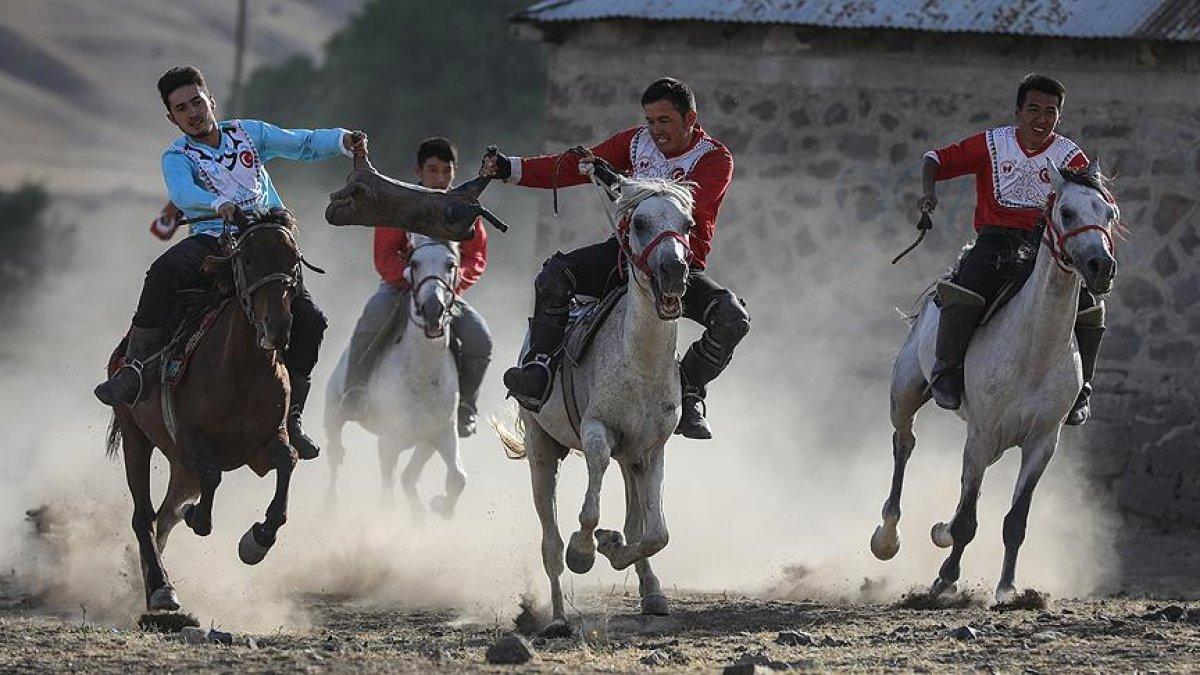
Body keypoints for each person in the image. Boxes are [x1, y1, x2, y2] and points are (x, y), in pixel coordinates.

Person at [94, 65, 367, 458]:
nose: (192, 112)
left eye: (196, 101)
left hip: (266, 242)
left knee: (312, 321)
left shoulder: (248, 133)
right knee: (163, 271)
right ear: (172, 117)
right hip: (212, 241)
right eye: (181, 108)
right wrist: (217, 203)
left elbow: (301, 143)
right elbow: (183, 192)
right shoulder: (177, 155)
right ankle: (136, 368)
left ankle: (291, 418)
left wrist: (343, 140)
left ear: (210, 100)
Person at [482, 77, 748, 440]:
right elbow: (577, 164)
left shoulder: (715, 159)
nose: (655, 131)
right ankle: (539, 368)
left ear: (690, 118)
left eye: (664, 121)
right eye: (650, 121)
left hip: (674, 267)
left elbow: (680, 203)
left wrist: (615, 182)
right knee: (554, 276)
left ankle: (687, 389)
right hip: (625, 257)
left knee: (733, 319)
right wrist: (509, 168)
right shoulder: (635, 142)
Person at [920, 73, 1104, 425]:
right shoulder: (992, 144)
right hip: (995, 240)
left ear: (1059, 118)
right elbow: (935, 159)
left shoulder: (1071, 157)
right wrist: (929, 192)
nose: (1041, 118)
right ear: (1018, 110)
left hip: (1046, 246)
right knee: (967, 285)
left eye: (1050, 112)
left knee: (1090, 305)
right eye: (1033, 109)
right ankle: (945, 371)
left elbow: (1091, 201)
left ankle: (1082, 388)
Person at [340, 137, 492, 438]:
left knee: (480, 338)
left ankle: (465, 409)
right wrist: (409, 276)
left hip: (446, 293)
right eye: (432, 170)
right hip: (400, 288)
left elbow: (476, 256)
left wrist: (453, 280)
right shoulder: (400, 205)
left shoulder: (466, 209)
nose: (439, 178)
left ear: (455, 172)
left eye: (446, 171)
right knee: (372, 316)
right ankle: (354, 391)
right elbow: (384, 255)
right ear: (418, 171)